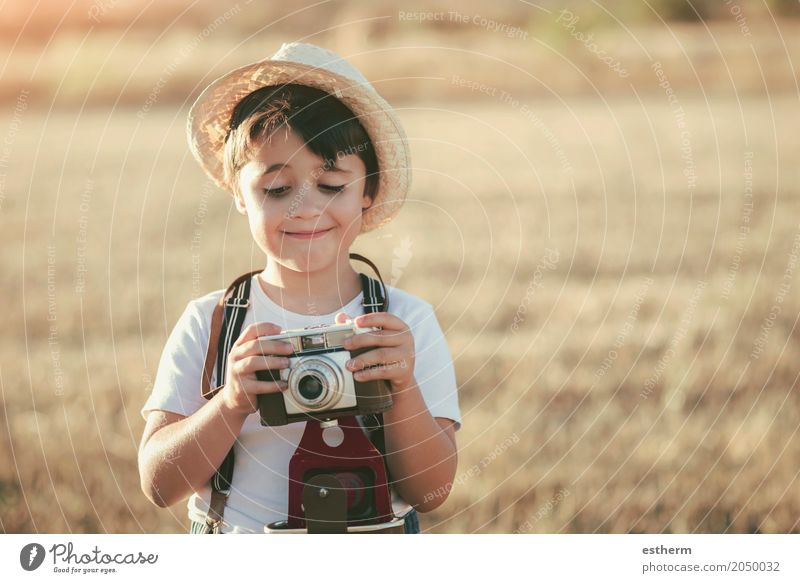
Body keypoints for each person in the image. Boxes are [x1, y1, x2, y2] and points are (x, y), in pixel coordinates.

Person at [137, 42, 462, 533]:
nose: (304, 209)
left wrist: (402, 387)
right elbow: (160, 485)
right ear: (239, 195)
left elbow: (432, 491)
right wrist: (229, 403)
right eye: (276, 189)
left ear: (368, 192)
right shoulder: (212, 323)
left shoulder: (404, 323)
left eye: (331, 185)